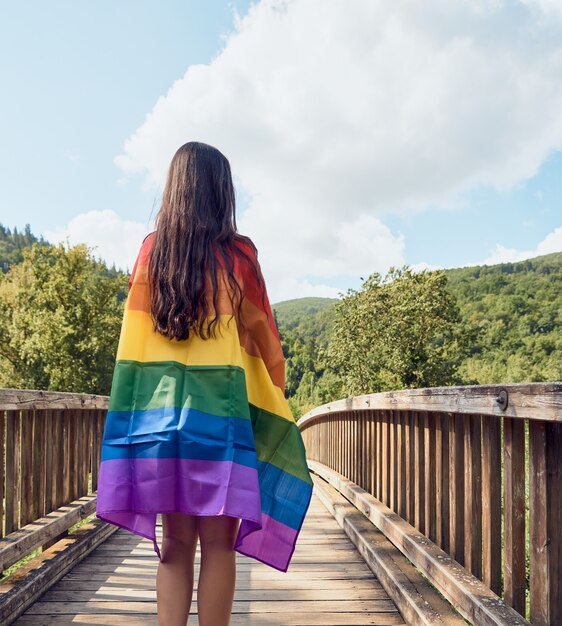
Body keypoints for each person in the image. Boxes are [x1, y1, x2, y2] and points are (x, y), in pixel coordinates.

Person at [96, 141, 313, 626]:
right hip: (221, 423)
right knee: (218, 545)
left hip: (161, 426)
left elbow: (132, 348)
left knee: (174, 545)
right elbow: (265, 343)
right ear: (221, 191)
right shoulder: (238, 255)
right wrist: (274, 397)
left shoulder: (152, 251)